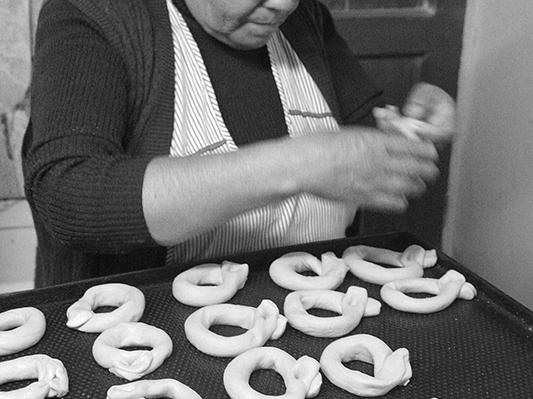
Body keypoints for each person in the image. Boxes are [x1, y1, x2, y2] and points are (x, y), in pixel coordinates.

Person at [22, 0, 455, 287]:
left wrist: (411, 127)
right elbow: (69, 196)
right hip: (158, 340)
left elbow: (364, 137)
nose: (284, 3)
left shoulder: (305, 19)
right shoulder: (94, 13)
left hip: (315, 316)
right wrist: (298, 164)